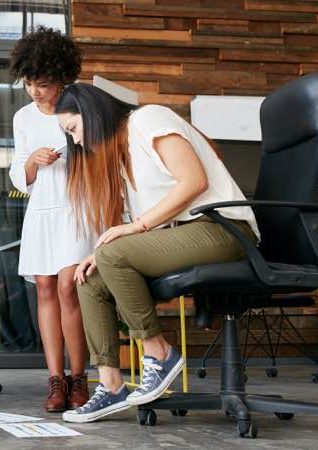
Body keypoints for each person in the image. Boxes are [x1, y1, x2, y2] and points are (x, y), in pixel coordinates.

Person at [55, 83, 260, 423]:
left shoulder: (148, 119)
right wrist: (104, 252)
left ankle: (159, 353)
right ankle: (111, 385)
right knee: (90, 278)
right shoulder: (121, 157)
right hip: (189, 236)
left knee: (113, 255)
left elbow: (194, 182)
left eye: (73, 129)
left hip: (224, 230)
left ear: (91, 113)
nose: (75, 141)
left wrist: (132, 232)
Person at [8, 26, 94, 413]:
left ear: (61, 76)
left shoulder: (81, 105)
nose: (35, 91)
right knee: (44, 287)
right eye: (29, 83)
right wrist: (31, 162)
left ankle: (80, 377)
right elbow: (17, 174)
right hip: (41, 209)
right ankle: (55, 379)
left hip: (76, 208)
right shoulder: (23, 117)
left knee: (67, 288)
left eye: (41, 83)